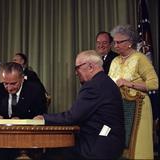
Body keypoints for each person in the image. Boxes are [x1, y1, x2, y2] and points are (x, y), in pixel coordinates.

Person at [34, 50, 125, 160]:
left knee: (50, 152)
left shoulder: (93, 86)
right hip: (109, 141)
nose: (76, 73)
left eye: (77, 68)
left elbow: (73, 117)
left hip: (98, 144)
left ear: (90, 67)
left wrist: (44, 118)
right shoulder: (105, 81)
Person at [108, 24, 159, 159]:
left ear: (130, 42)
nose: (116, 45)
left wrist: (129, 83)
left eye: (119, 42)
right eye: (114, 42)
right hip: (119, 108)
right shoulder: (114, 61)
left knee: (138, 145)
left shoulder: (140, 58)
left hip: (139, 108)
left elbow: (154, 83)